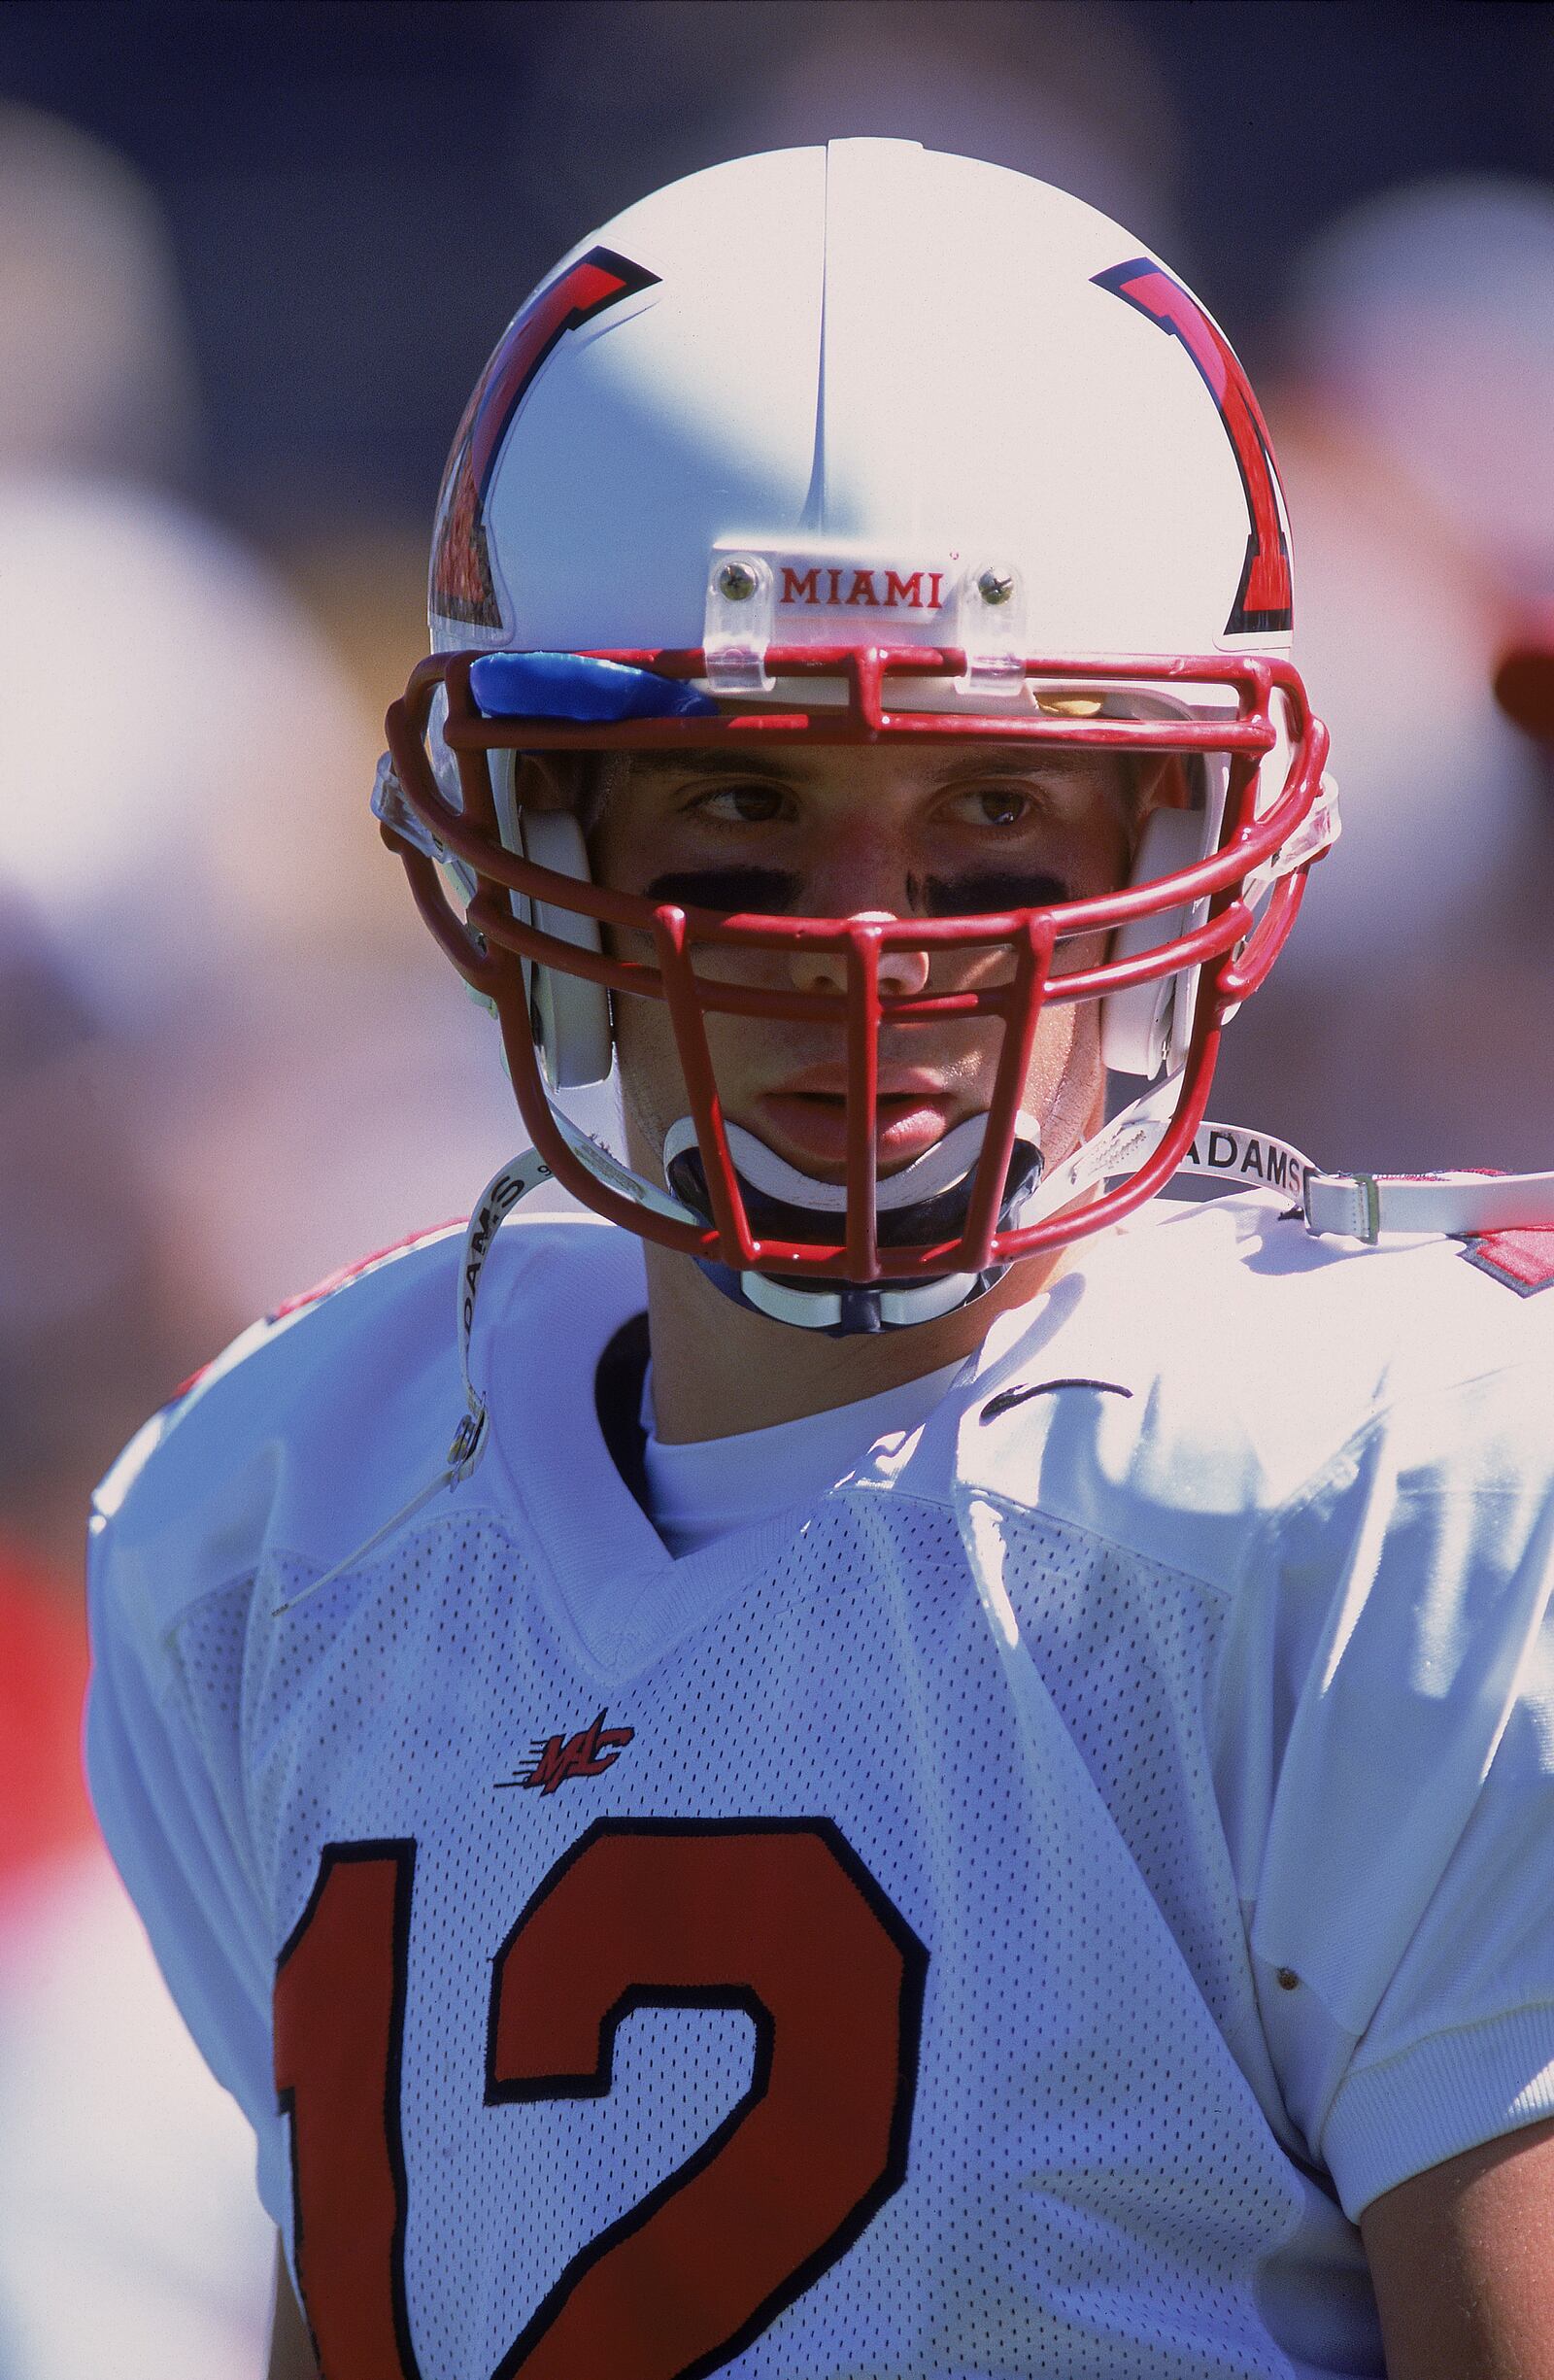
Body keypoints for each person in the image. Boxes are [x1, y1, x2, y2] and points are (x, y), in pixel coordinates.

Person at [85, 140, 1554, 2380]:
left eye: (990, 811)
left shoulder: (1402, 1502)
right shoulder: (280, 1517)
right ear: (526, 837)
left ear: (1190, 837)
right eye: (742, 805)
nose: (871, 947)